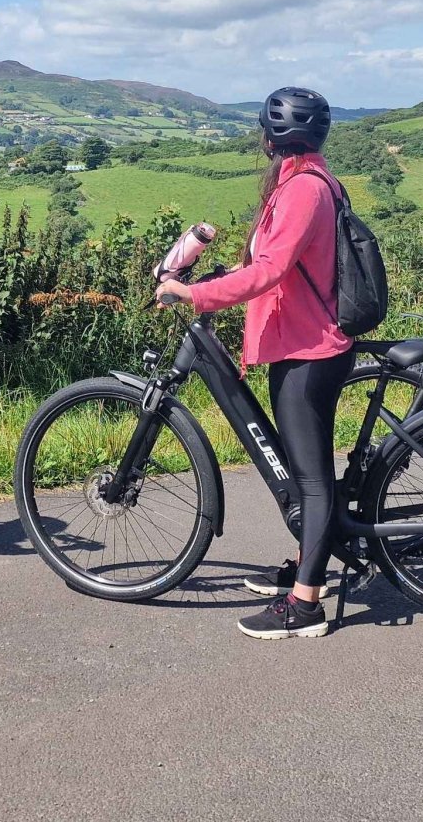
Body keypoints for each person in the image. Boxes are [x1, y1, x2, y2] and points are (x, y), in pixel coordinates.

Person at [155, 86, 355, 640]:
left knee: (312, 480)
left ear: (271, 139)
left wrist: (194, 295)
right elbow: (268, 263)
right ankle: (308, 566)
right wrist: (214, 276)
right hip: (300, 340)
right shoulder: (305, 181)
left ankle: (306, 606)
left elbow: (269, 271)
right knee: (300, 468)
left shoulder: (302, 190)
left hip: (309, 348)